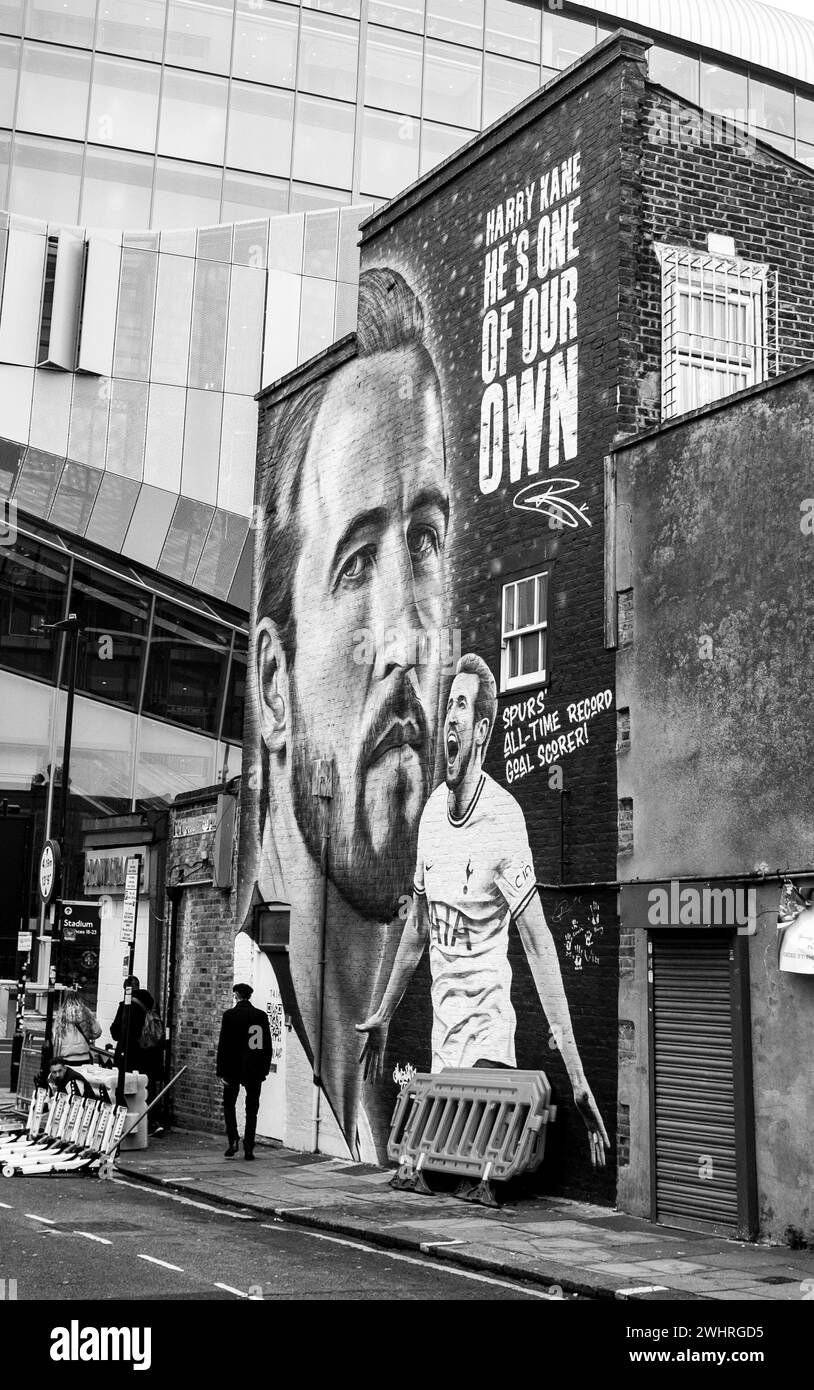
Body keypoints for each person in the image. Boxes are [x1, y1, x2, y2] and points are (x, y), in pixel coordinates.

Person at [247, 267, 450, 1161]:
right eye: (358, 562)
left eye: (426, 540)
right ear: (271, 688)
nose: (406, 640)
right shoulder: (257, 973)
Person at [357, 653, 611, 1169]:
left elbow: (540, 945)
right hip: (442, 1036)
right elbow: (417, 933)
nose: (449, 717)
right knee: (443, 1166)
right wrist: (386, 1012)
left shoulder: (504, 820)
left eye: (461, 707)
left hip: (489, 1030)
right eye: (447, 704)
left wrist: (577, 1077)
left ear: (481, 730)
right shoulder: (430, 817)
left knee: (481, 1163)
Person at [216, 983, 272, 1160]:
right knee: (252, 1109)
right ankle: (249, 1148)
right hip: (254, 1069)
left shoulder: (229, 1015)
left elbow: (223, 1046)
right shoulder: (260, 1016)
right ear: (249, 996)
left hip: (232, 1069)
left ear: (236, 996)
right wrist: (264, 1069)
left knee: (228, 1104)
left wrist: (221, 1072)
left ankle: (233, 1140)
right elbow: (266, 1046)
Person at [52, 988, 102, 1067]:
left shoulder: (61, 1016)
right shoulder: (86, 1012)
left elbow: (56, 1038)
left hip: (66, 1058)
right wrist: (88, 1035)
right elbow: (97, 1032)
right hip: (84, 1057)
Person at [110, 975, 147, 1072]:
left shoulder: (126, 1006)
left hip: (127, 1052)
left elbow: (115, 1032)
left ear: (128, 989)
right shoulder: (148, 1004)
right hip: (144, 1051)